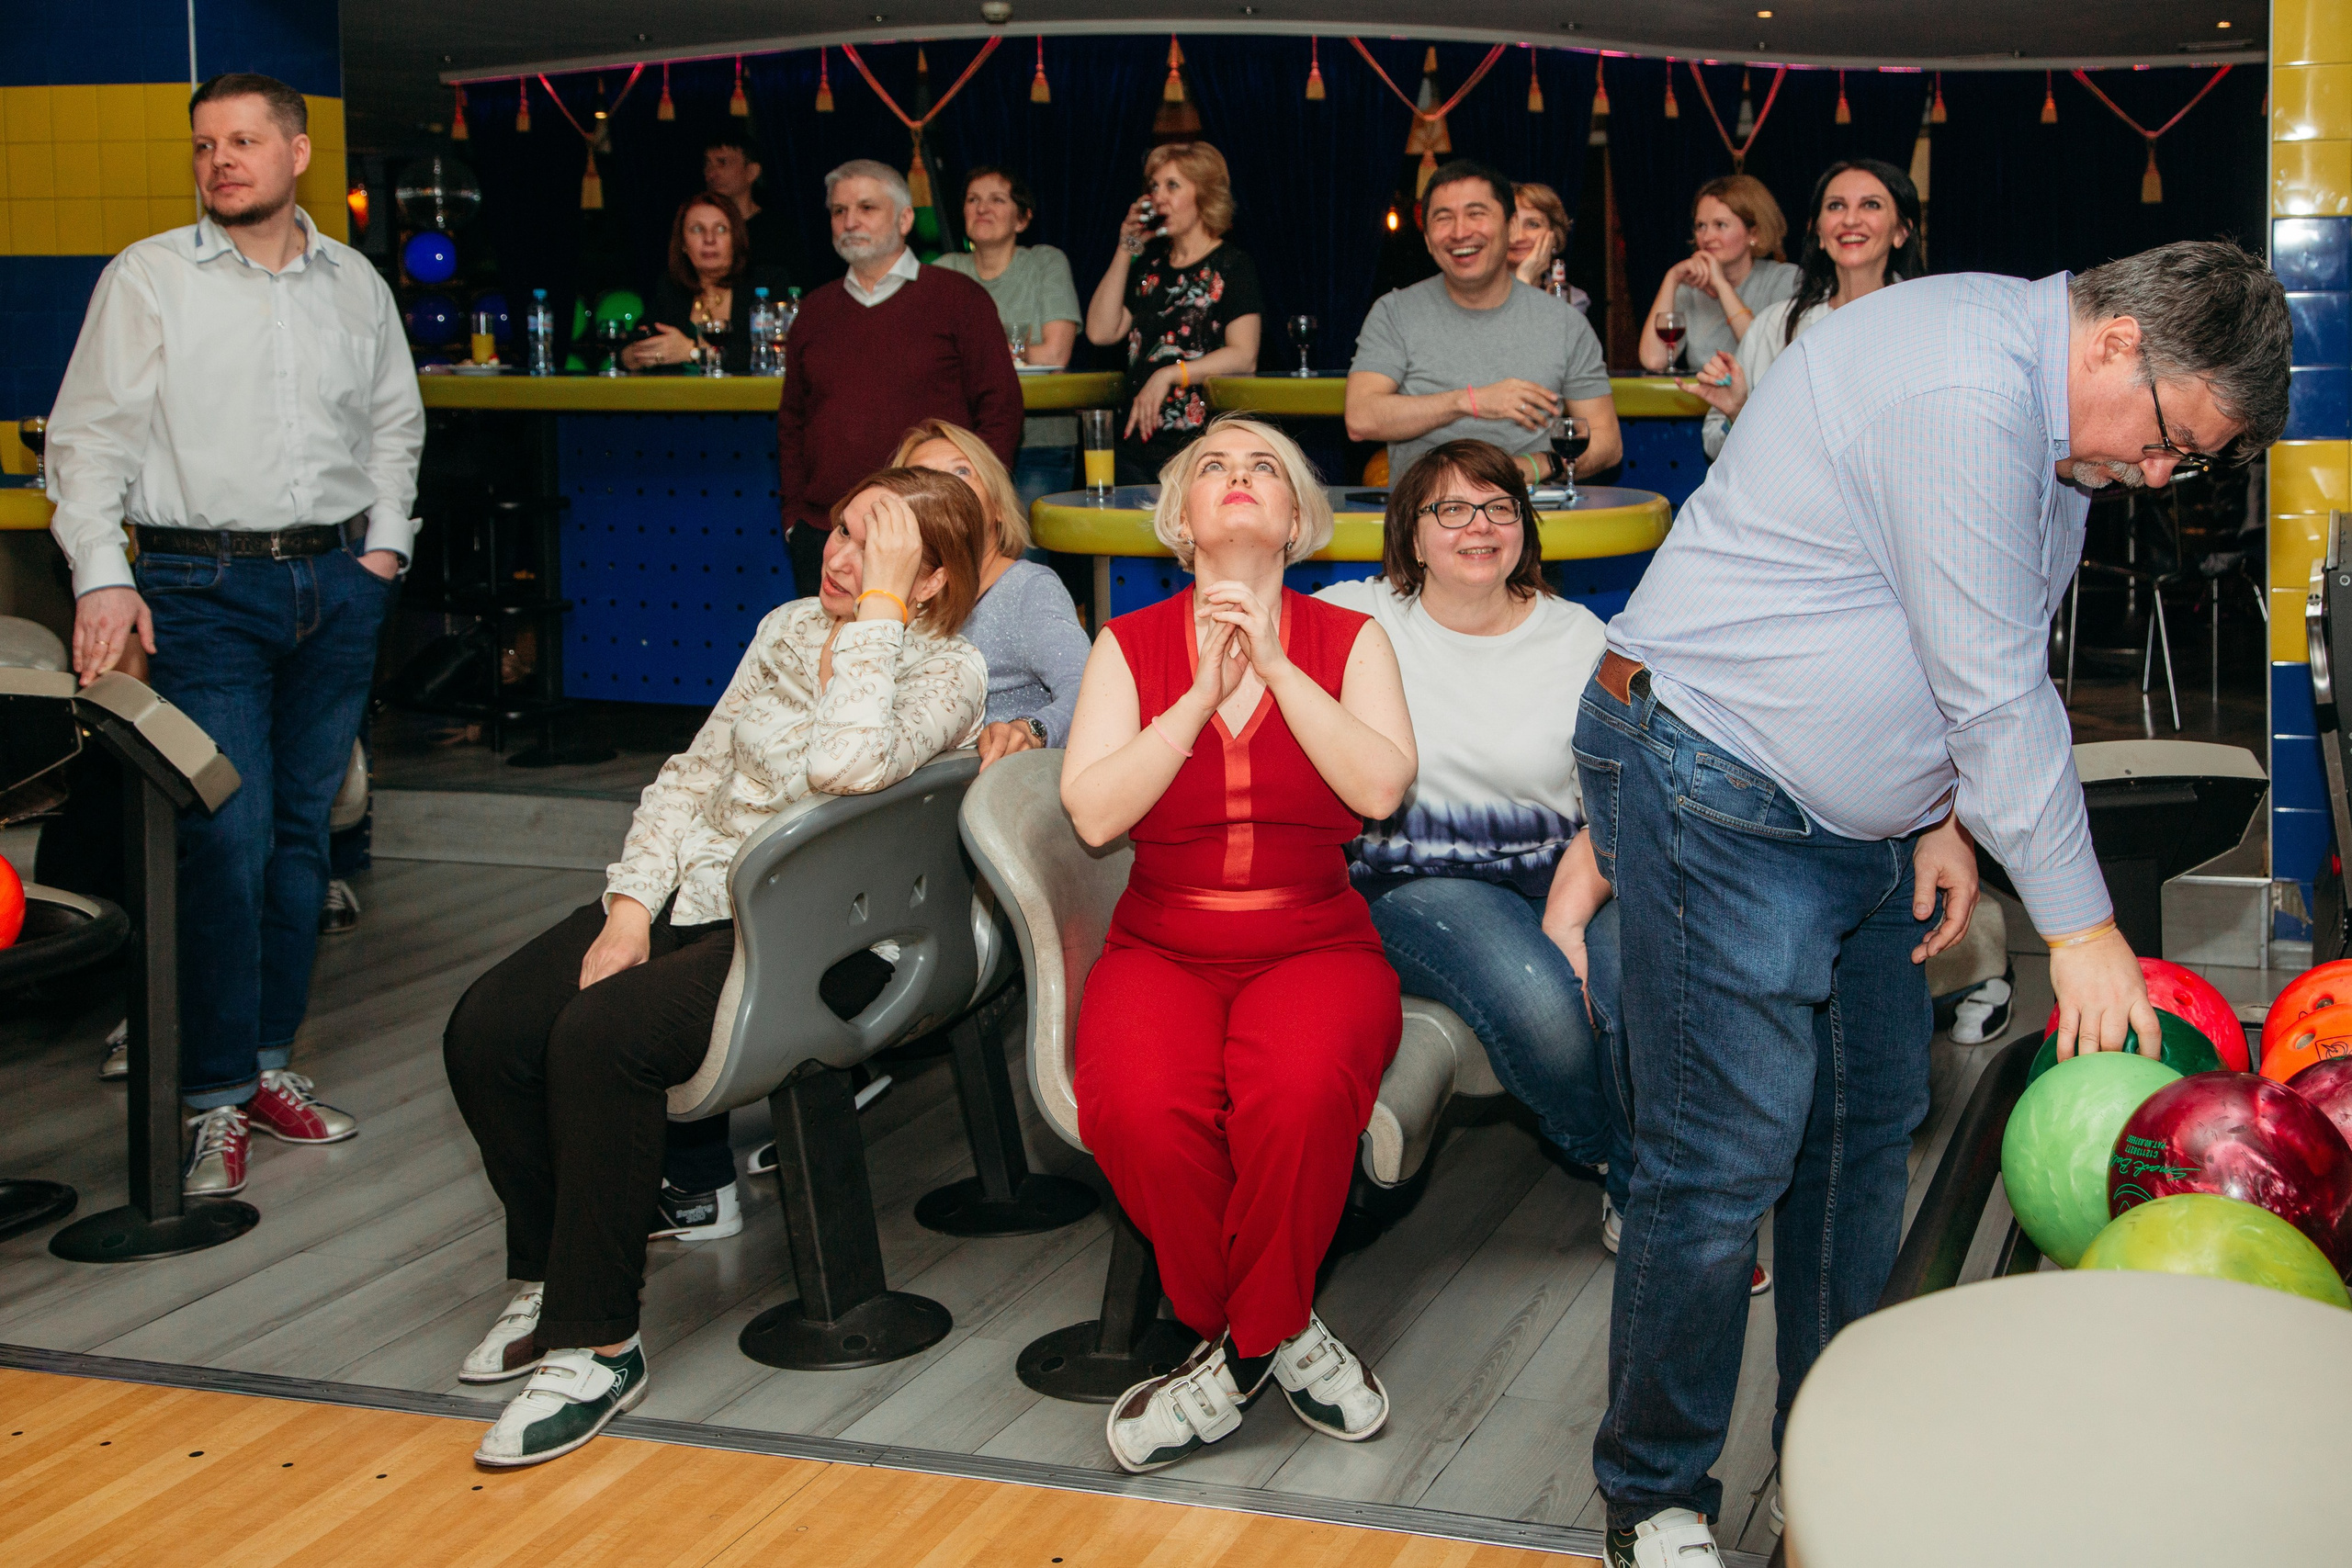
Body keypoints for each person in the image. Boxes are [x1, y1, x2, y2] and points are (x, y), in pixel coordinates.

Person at [1580, 241, 2290, 1566]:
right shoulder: (1962, 387)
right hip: (1715, 772)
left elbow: (1978, 637)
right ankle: (1653, 1494)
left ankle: (1830, 1450)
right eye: (2170, 441)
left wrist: (1939, 810)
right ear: (2120, 344)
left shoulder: (2053, 426)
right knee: (1722, 1154)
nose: (2156, 474)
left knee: (1861, 1134)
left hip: (1852, 814)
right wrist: (2082, 932)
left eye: (2186, 466)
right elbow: (1994, 687)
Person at [443, 467, 989, 1469]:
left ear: (925, 577)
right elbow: (693, 774)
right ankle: (550, 1271)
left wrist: (874, 614)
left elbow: (845, 765)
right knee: (489, 1027)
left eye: (875, 543)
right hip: (694, 901)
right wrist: (626, 911)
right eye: (838, 532)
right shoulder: (783, 627)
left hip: (817, 936)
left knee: (601, 1040)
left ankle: (596, 1342)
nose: (838, 555)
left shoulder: (950, 670)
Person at [45, 72, 423, 1194]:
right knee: (226, 835)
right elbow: (84, 443)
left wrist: (384, 549)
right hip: (197, 587)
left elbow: (396, 421)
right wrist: (104, 578)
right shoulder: (150, 278)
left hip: (336, 585)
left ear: (298, 154)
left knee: (305, 837)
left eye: (245, 141)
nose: (221, 161)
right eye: (206, 144)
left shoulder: (354, 281)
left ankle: (264, 1065)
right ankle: (210, 1093)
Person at [1059, 415, 1417, 1472]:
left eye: (1265, 464)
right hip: (1161, 944)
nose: (1238, 476)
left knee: (1298, 1093)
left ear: (1299, 517)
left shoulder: (1352, 642)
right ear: (1179, 519)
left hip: (1316, 943)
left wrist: (1272, 663)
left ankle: (1230, 1353)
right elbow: (1090, 813)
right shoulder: (1126, 646)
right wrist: (1199, 698)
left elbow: (1380, 787)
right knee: (1131, 1107)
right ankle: (1279, 1334)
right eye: (1211, 465)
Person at [650, 419, 1096, 1224]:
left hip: (944, 843)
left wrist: (1030, 730)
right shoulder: (832, 618)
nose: (947, 495)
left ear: (992, 500)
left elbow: (1091, 688)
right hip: (870, 829)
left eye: (963, 477)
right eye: (920, 487)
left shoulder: (1020, 594)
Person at [1316, 440, 1626, 1211]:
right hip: (1416, 880)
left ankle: (1663, 1188)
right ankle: (1635, 1179)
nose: (1477, 526)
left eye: (1498, 506)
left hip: (1568, 871)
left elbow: (1621, 800)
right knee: (1546, 1010)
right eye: (1449, 509)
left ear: (1524, 523)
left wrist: (1567, 917)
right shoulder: (1355, 615)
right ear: (1409, 533)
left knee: (1638, 986)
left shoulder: (1578, 636)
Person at [775, 159, 1023, 606]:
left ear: (906, 218)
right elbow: (792, 422)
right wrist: (795, 517)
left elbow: (1000, 411)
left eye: (866, 207)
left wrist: (973, 514)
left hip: (930, 539)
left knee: (930, 670)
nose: (850, 221)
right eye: (838, 211)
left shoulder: (959, 298)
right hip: (828, 535)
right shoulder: (813, 311)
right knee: (830, 670)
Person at [1344, 159, 1622, 487]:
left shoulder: (1563, 323)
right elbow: (1361, 418)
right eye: (1443, 218)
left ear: (1509, 225)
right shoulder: (1394, 313)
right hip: (1423, 513)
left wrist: (1539, 464)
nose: (1460, 232)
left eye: (1476, 214)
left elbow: (1607, 443)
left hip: (1532, 513)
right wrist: (1470, 401)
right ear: (1429, 238)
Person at [1687, 160, 1923, 459]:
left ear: (1901, 231)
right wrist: (1738, 410)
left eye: (1871, 205)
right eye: (1836, 206)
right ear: (1819, 233)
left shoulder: (1925, 326)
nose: (1850, 219)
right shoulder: (1775, 325)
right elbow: (1715, 443)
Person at [1082, 142, 1264, 481]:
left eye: (1172, 185)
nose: (1158, 196)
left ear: (1205, 195)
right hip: (1135, 446)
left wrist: (1169, 374)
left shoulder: (1233, 265)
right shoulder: (1149, 266)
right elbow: (1101, 331)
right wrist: (1126, 248)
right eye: (1154, 186)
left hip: (1201, 448)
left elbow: (1244, 356)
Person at [933, 166, 1086, 512]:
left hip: (1039, 438)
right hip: (961, 440)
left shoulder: (1045, 262)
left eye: (996, 199)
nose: (981, 208)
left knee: (1022, 556)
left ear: (1022, 219)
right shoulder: (945, 270)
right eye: (973, 199)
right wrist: (1012, 353)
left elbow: (1056, 354)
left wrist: (973, 355)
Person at [1634, 175, 1800, 376]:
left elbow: (1764, 355)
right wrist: (1672, 278)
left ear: (1753, 234)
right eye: (1700, 226)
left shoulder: (1784, 279)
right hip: (1705, 404)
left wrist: (1721, 285)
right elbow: (1654, 360)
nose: (1707, 237)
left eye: (1720, 225)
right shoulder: (1690, 287)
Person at [622, 192, 786, 376]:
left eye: (721, 229)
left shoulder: (767, 282)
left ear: (736, 239)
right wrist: (633, 356)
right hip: (678, 401)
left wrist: (692, 352)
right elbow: (634, 342)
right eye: (698, 229)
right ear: (683, 244)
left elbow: (776, 355)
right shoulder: (670, 288)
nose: (709, 239)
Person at [702, 130, 808, 288]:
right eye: (707, 164)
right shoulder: (701, 229)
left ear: (752, 172)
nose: (711, 173)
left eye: (722, 163)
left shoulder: (777, 230)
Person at [1509, 180, 1591, 316]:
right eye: (1510, 225)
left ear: (1554, 236)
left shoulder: (1572, 300)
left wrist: (1525, 280)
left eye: (1533, 224)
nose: (1519, 237)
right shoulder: (1472, 293)